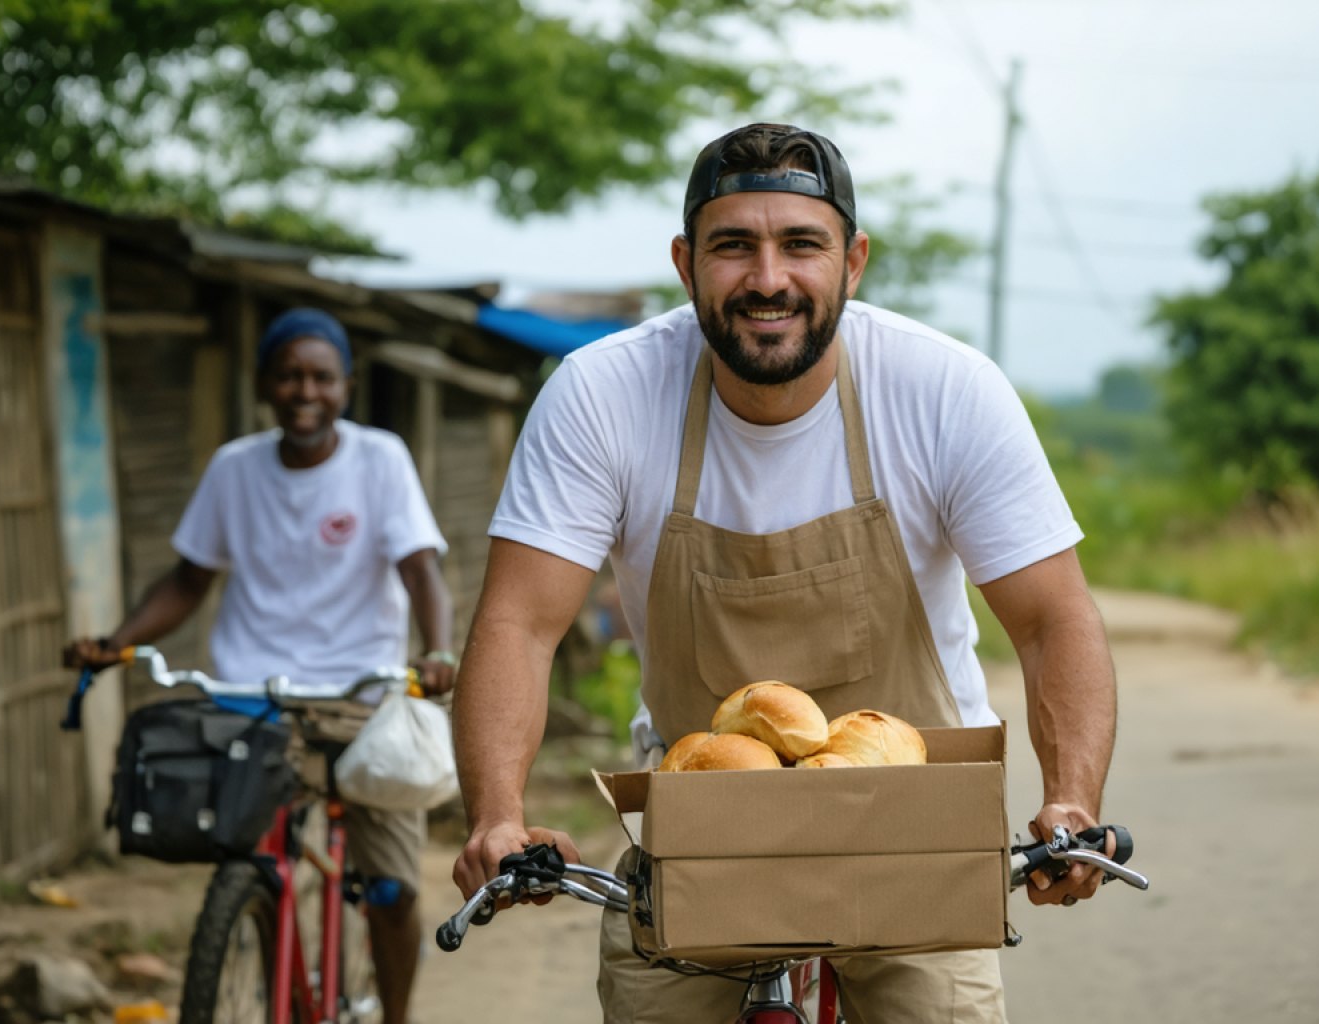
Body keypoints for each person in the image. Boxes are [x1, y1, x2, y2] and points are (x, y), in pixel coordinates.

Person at [450, 123, 1119, 1023]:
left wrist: (1071, 801)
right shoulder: (601, 394)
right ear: (687, 265)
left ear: (854, 263)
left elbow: (1052, 621)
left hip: (912, 824)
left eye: (802, 244)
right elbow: (519, 627)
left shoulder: (946, 389)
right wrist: (498, 814)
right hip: (698, 821)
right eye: (734, 246)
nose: (769, 278)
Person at [63, 307, 454, 1024]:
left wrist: (436, 651)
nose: (306, 391)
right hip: (252, 700)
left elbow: (421, 570)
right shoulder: (234, 468)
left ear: (346, 386)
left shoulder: (379, 459)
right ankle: (258, 926)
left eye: (321, 378)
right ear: (264, 385)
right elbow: (187, 580)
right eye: (289, 376)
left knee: (392, 887)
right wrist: (115, 642)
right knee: (240, 854)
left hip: (361, 700)